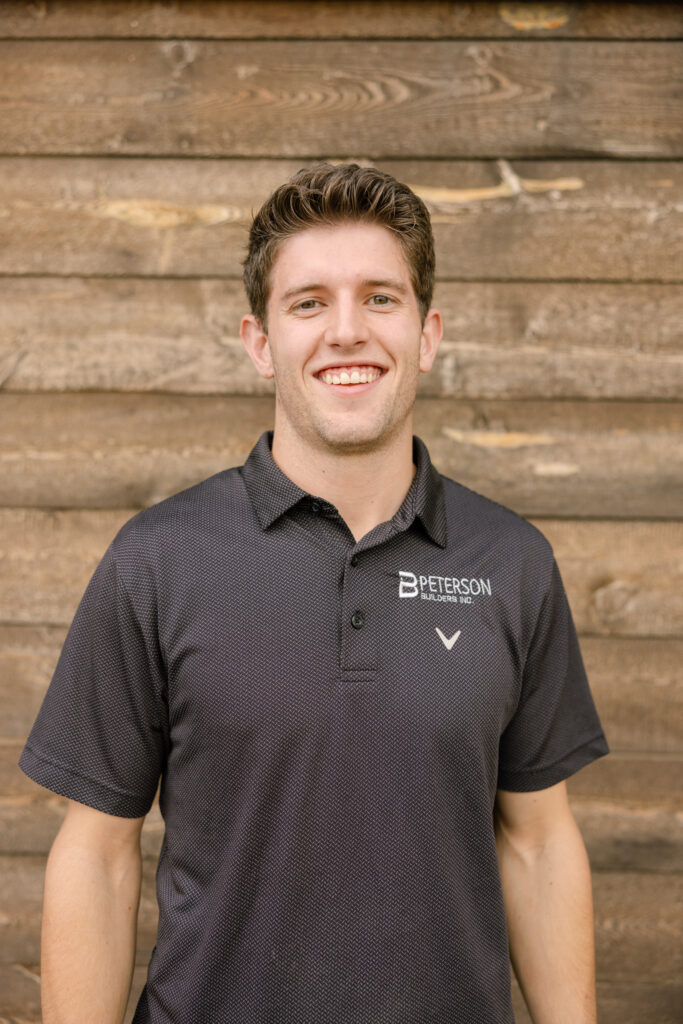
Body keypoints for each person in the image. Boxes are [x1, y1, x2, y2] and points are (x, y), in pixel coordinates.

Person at [20, 163, 608, 1024]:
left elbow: (538, 842)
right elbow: (98, 855)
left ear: (427, 333)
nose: (346, 331)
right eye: (307, 303)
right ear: (260, 342)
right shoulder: (158, 560)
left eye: (379, 298)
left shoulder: (510, 562)